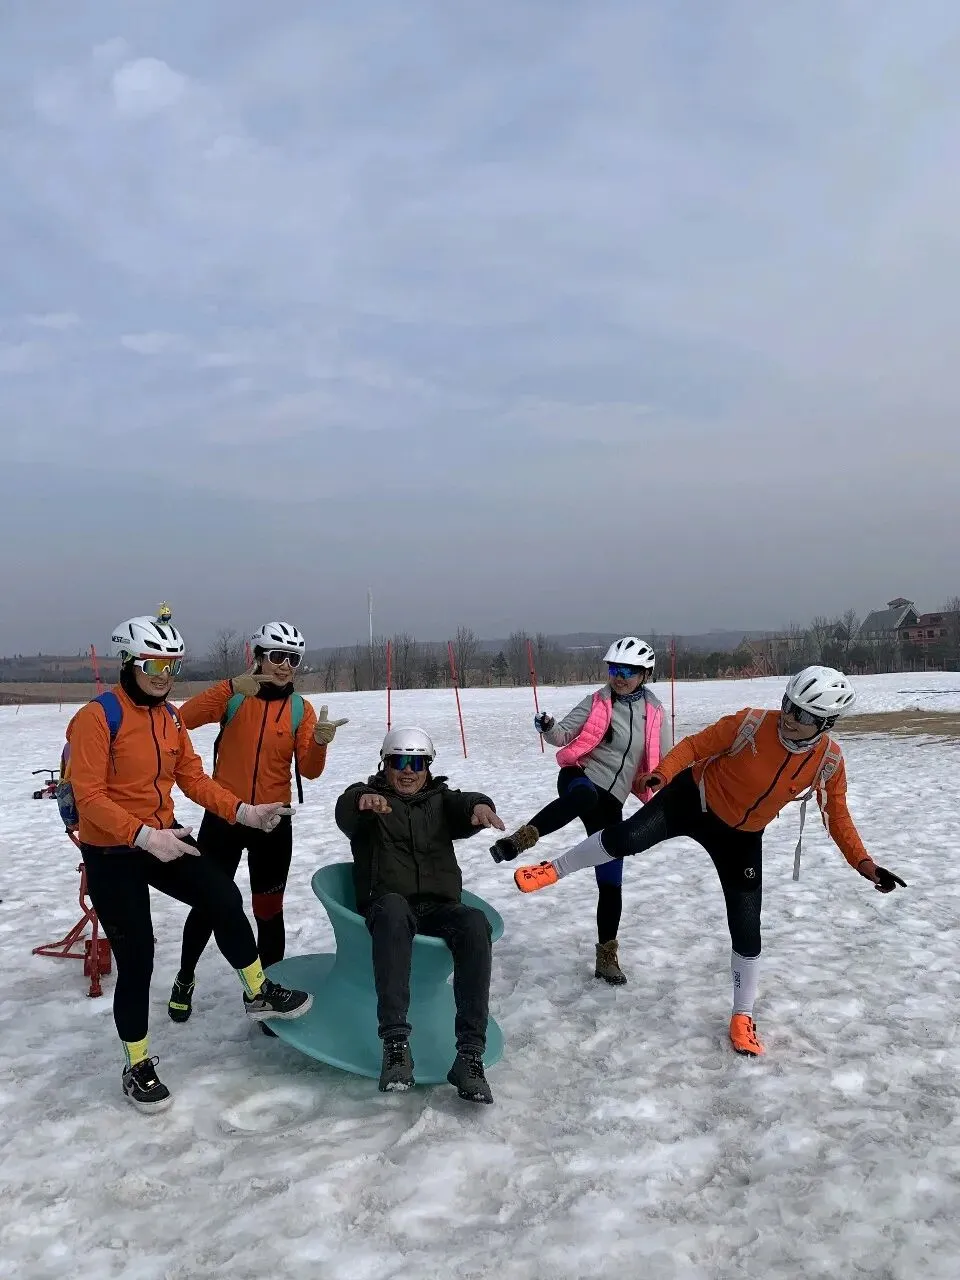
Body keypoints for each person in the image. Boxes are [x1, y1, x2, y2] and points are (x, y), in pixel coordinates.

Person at [511, 666, 906, 1057]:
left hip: (741, 837)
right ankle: (553, 868)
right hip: (691, 801)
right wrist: (663, 774)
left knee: (747, 927)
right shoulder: (751, 723)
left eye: (802, 714)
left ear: (826, 723)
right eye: (788, 704)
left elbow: (837, 815)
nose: (789, 716)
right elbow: (695, 746)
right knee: (626, 838)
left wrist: (864, 864)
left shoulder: (828, 762)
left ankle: (742, 1016)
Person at [66, 610, 314, 1112]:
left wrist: (242, 811)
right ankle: (137, 1065)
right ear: (129, 662)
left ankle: (258, 990)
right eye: (155, 666)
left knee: (222, 894)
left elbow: (194, 779)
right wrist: (140, 835)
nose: (164, 677)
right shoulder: (96, 718)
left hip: (164, 837)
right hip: (113, 851)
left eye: (172, 667)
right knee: (138, 956)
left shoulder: (170, 719)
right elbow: (88, 796)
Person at [168, 621, 346, 1029]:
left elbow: (310, 770)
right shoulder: (235, 697)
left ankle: (268, 995)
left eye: (293, 659)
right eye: (278, 656)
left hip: (273, 823)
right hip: (225, 817)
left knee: (268, 911)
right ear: (259, 656)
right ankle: (184, 977)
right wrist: (231, 686)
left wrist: (319, 743)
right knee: (209, 903)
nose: (285, 666)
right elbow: (182, 719)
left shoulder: (300, 708)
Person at [334, 727, 505, 1102]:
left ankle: (469, 1056)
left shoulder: (440, 801)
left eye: (417, 763)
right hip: (388, 905)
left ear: (428, 767)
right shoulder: (370, 800)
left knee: (475, 923)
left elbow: (463, 803)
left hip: (437, 907)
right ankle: (395, 1046)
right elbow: (346, 808)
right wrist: (362, 801)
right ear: (385, 764)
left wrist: (480, 805)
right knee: (395, 909)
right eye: (399, 762)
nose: (408, 771)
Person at [490, 637, 669, 985]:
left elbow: (666, 758)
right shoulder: (597, 702)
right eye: (614, 669)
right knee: (585, 796)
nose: (619, 677)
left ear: (645, 674)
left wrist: (662, 780)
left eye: (628, 671)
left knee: (611, 880)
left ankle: (606, 957)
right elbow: (562, 735)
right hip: (579, 778)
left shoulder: (655, 712)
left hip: (612, 800)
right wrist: (548, 726)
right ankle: (520, 840)